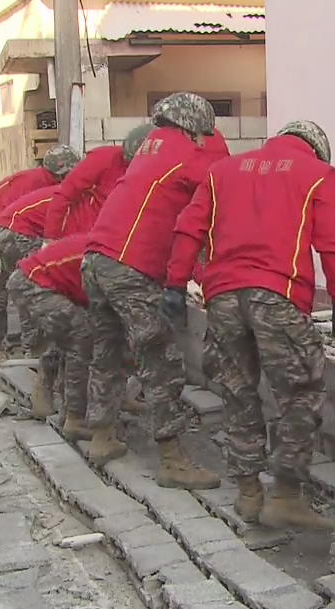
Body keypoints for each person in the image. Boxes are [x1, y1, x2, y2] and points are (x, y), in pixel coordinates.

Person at [169, 120, 335, 530]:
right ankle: (286, 495)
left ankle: (249, 492)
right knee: (300, 392)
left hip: (223, 298)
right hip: (277, 295)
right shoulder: (318, 174)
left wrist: (175, 282)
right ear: (316, 149)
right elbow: (332, 243)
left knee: (238, 392)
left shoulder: (223, 172)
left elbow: (189, 228)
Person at [81, 92, 230, 489]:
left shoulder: (151, 147)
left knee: (108, 350)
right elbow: (212, 208)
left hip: (97, 259)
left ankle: (101, 436)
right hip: (131, 266)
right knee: (160, 360)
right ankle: (172, 461)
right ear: (194, 126)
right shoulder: (189, 153)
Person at [0, 145, 80, 362]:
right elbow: (6, 216)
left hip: (3, 232)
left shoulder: (47, 184)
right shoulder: (34, 183)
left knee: (23, 283)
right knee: (2, 288)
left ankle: (28, 344)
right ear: (61, 171)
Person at [7, 234, 95, 441]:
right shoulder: (108, 256)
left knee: (68, 333)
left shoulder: (104, 247)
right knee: (81, 338)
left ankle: (47, 397)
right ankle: (74, 418)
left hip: (35, 280)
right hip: (33, 283)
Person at [42, 124, 154, 240]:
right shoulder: (103, 159)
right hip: (82, 235)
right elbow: (64, 194)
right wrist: (50, 238)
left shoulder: (156, 173)